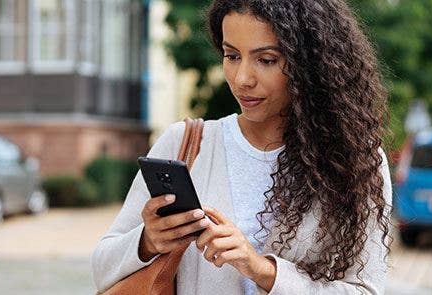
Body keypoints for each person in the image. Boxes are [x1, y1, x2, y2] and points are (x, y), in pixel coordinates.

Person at [92, 0, 392, 294]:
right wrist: (147, 241)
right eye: (232, 56)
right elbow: (102, 268)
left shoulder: (356, 162)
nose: (242, 78)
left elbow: (365, 289)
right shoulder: (183, 144)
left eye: (266, 60)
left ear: (310, 64)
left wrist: (262, 270)